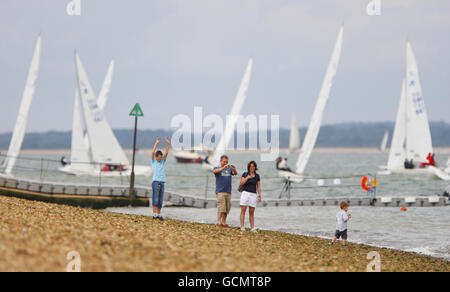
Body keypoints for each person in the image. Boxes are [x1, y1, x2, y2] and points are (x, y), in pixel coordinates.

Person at [213, 155, 237, 227]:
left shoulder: (229, 169)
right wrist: (223, 168)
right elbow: (214, 171)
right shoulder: (217, 167)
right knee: (221, 207)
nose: (225, 163)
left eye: (226, 162)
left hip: (228, 191)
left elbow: (235, 173)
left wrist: (234, 169)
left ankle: (223, 222)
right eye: (224, 161)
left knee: (227, 208)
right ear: (221, 161)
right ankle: (219, 222)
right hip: (220, 191)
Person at [151, 137, 170, 220]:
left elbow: (167, 153)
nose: (161, 158)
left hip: (162, 182)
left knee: (160, 199)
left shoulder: (162, 161)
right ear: (156, 157)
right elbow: (152, 152)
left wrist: (167, 144)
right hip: (155, 181)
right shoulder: (153, 161)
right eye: (159, 157)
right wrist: (157, 142)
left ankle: (158, 214)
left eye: (161, 157)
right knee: (155, 198)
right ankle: (155, 214)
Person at [239, 161, 262, 232]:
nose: (252, 168)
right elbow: (241, 183)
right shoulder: (245, 174)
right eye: (251, 166)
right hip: (245, 193)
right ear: (248, 167)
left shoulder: (257, 176)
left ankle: (252, 227)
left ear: (255, 167)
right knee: (243, 210)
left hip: (253, 194)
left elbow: (258, 186)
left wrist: (259, 195)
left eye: (253, 166)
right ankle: (242, 226)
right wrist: (247, 178)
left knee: (251, 212)